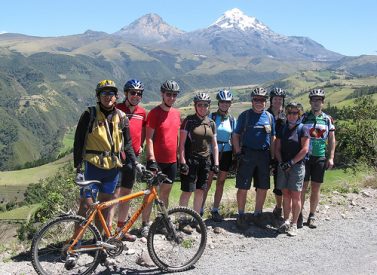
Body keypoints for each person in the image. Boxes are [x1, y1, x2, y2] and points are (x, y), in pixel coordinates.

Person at [73, 79, 141, 233]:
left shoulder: (122, 117)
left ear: (116, 96)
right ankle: (74, 244)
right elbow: (78, 142)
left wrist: (135, 163)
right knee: (85, 205)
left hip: (113, 170)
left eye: (111, 93)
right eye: (104, 93)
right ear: (98, 96)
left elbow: (128, 144)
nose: (108, 96)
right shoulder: (89, 114)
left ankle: (98, 240)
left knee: (104, 207)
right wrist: (78, 168)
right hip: (92, 167)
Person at [140, 80, 181, 237]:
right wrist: (151, 158)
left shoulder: (177, 114)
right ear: (162, 94)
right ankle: (145, 224)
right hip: (157, 161)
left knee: (165, 193)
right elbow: (149, 138)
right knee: (150, 193)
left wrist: (178, 156)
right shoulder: (154, 113)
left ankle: (160, 222)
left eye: (174, 95)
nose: (171, 98)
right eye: (168, 94)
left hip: (172, 161)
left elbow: (175, 136)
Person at [232, 87, 275, 230]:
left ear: (265, 101)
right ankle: (241, 215)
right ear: (252, 100)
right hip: (247, 154)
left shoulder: (269, 117)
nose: (259, 102)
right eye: (256, 99)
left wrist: (273, 157)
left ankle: (257, 214)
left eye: (262, 100)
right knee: (243, 187)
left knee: (263, 187)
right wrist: (238, 152)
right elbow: (236, 135)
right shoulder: (245, 116)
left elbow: (273, 138)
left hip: (264, 155)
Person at [114, 79, 147, 242]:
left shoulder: (142, 113)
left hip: (132, 159)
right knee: (114, 195)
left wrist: (141, 145)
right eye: (132, 92)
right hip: (117, 158)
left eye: (139, 93)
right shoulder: (117, 109)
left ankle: (121, 230)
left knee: (126, 194)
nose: (136, 96)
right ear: (126, 94)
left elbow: (142, 132)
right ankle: (108, 234)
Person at [179, 92, 219, 225]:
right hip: (191, 160)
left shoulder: (211, 123)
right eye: (199, 105)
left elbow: (214, 145)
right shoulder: (189, 121)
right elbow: (182, 144)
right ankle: (182, 220)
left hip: (205, 161)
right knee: (187, 191)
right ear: (195, 106)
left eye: (205, 105)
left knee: (200, 190)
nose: (202, 107)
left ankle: (196, 219)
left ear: (209, 106)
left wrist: (216, 163)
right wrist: (183, 162)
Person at [300, 89, 336, 229]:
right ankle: (299, 215)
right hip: (305, 158)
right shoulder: (304, 117)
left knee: (315, 188)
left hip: (320, 157)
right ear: (310, 102)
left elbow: (332, 140)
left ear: (322, 102)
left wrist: (331, 157)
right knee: (302, 188)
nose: (316, 102)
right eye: (313, 100)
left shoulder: (327, 119)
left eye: (318, 100)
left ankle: (312, 215)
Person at [201, 89, 236, 222]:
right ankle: (200, 209)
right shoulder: (212, 117)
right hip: (211, 152)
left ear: (230, 103)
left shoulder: (232, 119)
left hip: (226, 152)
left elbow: (233, 137)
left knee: (220, 182)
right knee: (207, 182)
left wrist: (235, 155)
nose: (224, 104)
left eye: (227, 102)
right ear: (219, 102)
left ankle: (215, 210)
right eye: (222, 102)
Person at [275, 102, 309, 236]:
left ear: (299, 114)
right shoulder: (282, 129)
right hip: (283, 166)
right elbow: (277, 149)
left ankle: (294, 223)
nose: (292, 115)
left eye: (295, 113)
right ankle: (286, 221)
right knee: (286, 195)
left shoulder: (303, 129)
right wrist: (282, 163)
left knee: (296, 196)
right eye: (289, 113)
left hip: (297, 166)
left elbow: (305, 149)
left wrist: (291, 163)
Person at [267, 87, 287, 218]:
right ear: (271, 100)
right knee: (267, 183)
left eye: (280, 99)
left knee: (281, 183)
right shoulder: (265, 114)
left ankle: (280, 208)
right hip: (267, 153)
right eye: (275, 99)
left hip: (283, 152)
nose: (278, 101)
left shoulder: (287, 115)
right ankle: (276, 207)